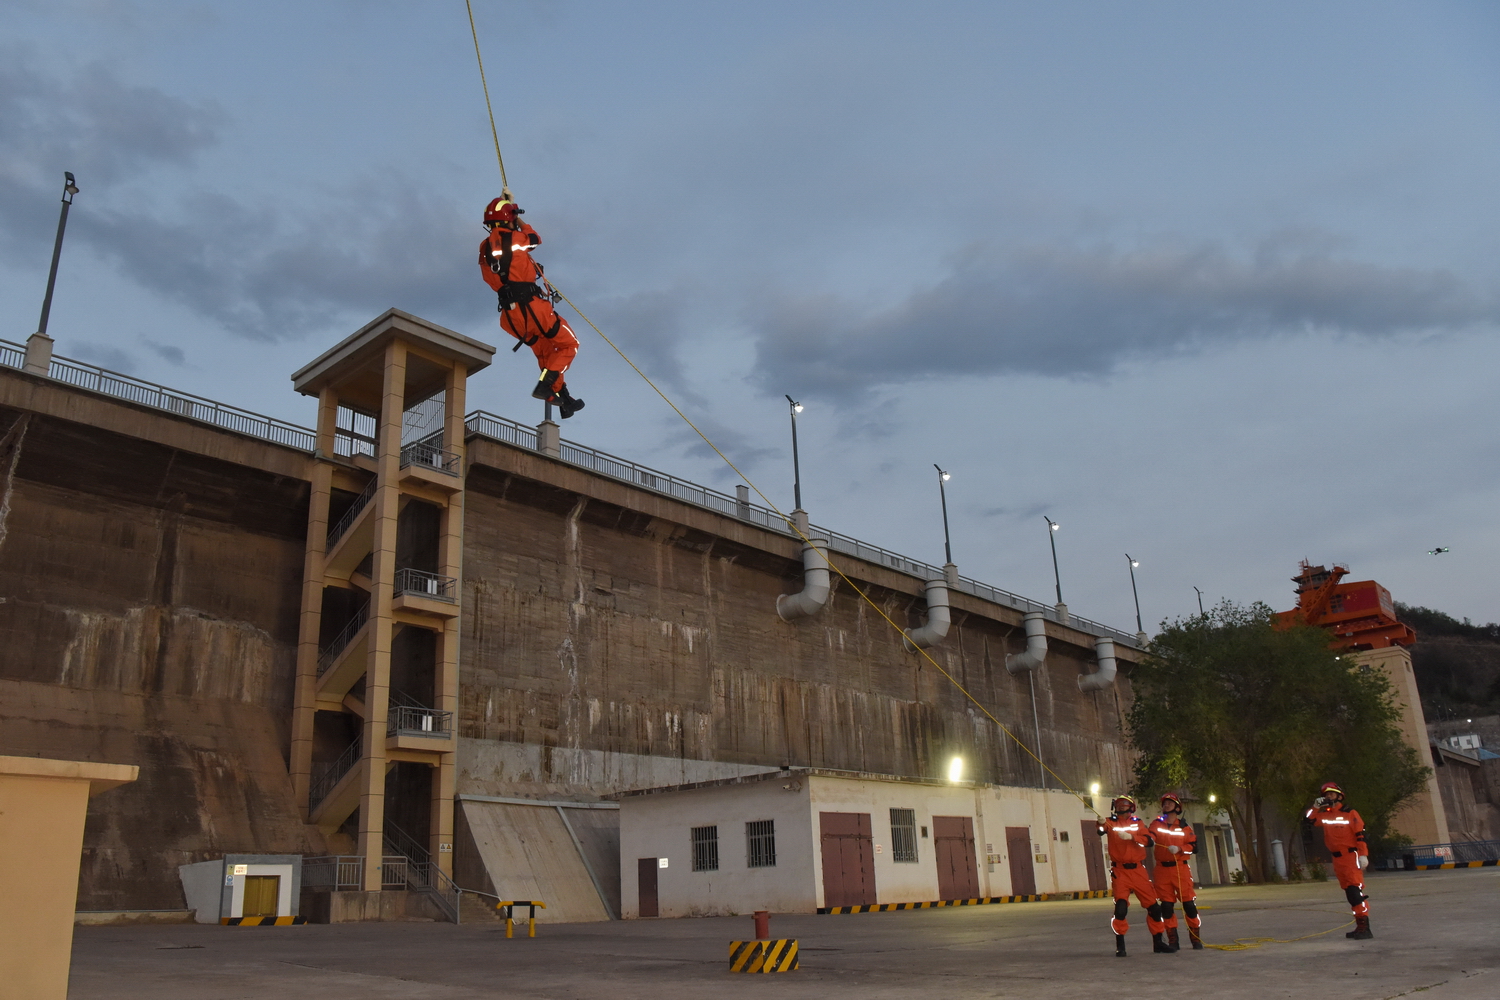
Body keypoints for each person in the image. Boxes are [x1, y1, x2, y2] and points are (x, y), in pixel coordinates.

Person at [478, 193, 585, 418]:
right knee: (569, 344)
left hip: (511, 317)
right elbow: (535, 238)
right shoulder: (516, 238)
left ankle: (563, 398)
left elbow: (493, 275)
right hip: (533, 309)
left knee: (547, 351)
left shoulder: (484, 249)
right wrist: (519, 220)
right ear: (509, 218)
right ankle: (546, 387)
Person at [1097, 795, 1169, 957]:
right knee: (1120, 909)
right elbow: (1101, 831)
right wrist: (1101, 824)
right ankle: (1120, 945)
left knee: (1154, 908)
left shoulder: (1138, 823)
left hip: (1138, 870)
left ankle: (1158, 942)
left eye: (1124, 805)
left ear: (1131, 807)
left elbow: (1149, 840)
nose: (1121, 807)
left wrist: (1132, 837)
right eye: (1119, 805)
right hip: (1120, 871)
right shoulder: (1111, 822)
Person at [1305, 781, 1373, 939]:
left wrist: (1363, 855)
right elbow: (1309, 820)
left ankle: (1365, 926)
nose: (1329, 796)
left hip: (1350, 856)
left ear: (1339, 795)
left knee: (1355, 891)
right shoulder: (1325, 815)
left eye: (1331, 794)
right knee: (1349, 892)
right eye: (1326, 794)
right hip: (1337, 858)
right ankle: (1359, 925)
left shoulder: (1350, 813)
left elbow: (1360, 835)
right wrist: (1315, 806)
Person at [1148, 793, 1203, 951]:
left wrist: (1180, 849)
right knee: (1166, 906)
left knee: (1189, 905)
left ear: (1177, 807)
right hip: (1162, 870)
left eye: (1169, 803)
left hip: (1180, 868)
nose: (1166, 805)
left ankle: (1195, 936)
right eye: (1164, 803)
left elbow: (1194, 847)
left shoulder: (1185, 827)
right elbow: (1150, 837)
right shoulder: (1156, 824)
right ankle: (1173, 938)